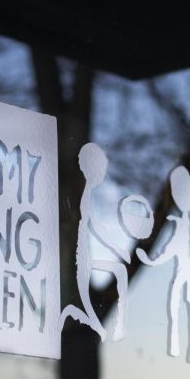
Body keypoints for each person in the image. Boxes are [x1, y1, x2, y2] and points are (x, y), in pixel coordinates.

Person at [59, 143, 131, 342]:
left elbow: (95, 226)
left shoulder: (85, 194)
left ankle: (112, 326)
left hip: (81, 258)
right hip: (80, 258)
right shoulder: (82, 195)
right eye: (100, 167)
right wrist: (115, 247)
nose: (102, 172)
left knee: (118, 274)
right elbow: (94, 226)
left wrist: (115, 247)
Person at [137, 166, 190, 363]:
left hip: (182, 268)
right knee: (183, 305)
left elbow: (171, 249)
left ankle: (180, 346)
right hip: (183, 267)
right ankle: (183, 346)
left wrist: (149, 260)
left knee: (179, 305)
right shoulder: (180, 221)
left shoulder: (181, 223)